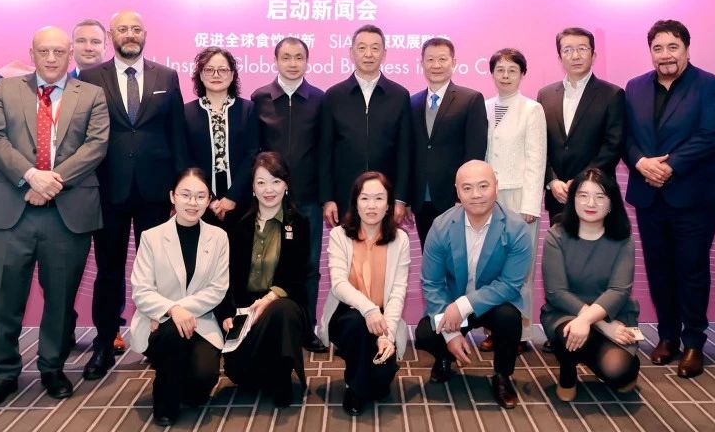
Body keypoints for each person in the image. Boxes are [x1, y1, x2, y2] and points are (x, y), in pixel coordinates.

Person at [0, 26, 109, 409]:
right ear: (31, 53)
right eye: (43, 51)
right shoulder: (5, 89)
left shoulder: (92, 95)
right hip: (11, 208)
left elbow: (96, 145)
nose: (51, 58)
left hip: (67, 212)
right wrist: (31, 176)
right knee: (3, 297)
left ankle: (52, 367)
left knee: (61, 298)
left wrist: (52, 181)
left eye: (58, 52)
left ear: (70, 55)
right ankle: (4, 373)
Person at [77, 10, 188, 377]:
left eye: (136, 29)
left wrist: (178, 187)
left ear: (145, 34)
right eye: (122, 29)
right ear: (112, 35)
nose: (130, 34)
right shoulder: (91, 77)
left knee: (156, 271)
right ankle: (105, 343)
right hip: (108, 189)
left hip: (155, 191)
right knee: (108, 271)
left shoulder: (166, 76)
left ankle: (157, 342)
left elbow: (176, 133)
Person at [623, 19, 715, 379]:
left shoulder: (708, 84)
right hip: (649, 194)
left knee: (692, 269)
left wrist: (670, 166)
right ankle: (667, 336)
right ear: (650, 51)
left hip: (694, 194)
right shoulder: (635, 86)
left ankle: (694, 341)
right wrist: (640, 162)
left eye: (673, 47)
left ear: (686, 48)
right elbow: (626, 136)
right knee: (659, 268)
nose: (665, 55)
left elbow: (711, 133)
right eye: (658, 48)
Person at [415, 160, 533, 410]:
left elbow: (510, 284)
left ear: (496, 187)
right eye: (467, 188)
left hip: (493, 304)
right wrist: (451, 334)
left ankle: (502, 376)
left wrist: (464, 305)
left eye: (483, 186)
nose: (476, 194)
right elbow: (432, 283)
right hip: (451, 304)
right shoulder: (441, 226)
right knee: (425, 333)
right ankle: (445, 358)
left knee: (510, 319)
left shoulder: (517, 229)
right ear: (457, 191)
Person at [129, 168, 229, 427]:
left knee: (201, 384)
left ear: (209, 200)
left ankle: (178, 376)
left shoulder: (219, 237)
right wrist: (170, 312)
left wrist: (176, 308)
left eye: (200, 196)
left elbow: (217, 289)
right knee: (173, 333)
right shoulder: (151, 237)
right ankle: (164, 401)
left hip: (200, 323)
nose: (192, 202)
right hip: (159, 325)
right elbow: (141, 290)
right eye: (185, 195)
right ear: (172, 196)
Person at [251, 37, 328, 353]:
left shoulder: (320, 99)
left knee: (308, 267)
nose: (293, 63)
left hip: (308, 198)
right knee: (267, 264)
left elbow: (325, 151)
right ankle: (266, 326)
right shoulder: (260, 98)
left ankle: (306, 329)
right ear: (275, 60)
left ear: (307, 61)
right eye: (286, 57)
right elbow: (253, 151)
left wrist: (326, 196)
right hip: (269, 199)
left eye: (299, 57)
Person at [215, 152, 311, 407]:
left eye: (276, 181)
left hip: (280, 303)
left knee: (282, 310)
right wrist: (227, 312)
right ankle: (262, 369)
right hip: (242, 310)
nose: (269, 190)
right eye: (261, 182)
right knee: (239, 373)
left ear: (286, 184)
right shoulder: (235, 221)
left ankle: (281, 377)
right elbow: (221, 274)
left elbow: (297, 275)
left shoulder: (298, 223)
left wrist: (269, 298)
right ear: (252, 187)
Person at [541, 168, 641, 400]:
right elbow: (556, 292)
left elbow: (619, 290)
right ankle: (568, 373)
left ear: (611, 203)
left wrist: (592, 321)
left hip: (613, 313)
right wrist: (600, 325)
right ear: (573, 199)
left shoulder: (623, 238)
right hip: (566, 313)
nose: (591, 203)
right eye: (583, 195)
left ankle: (609, 361)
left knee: (617, 371)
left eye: (600, 196)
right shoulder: (556, 235)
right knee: (571, 331)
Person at [317, 171, 412, 416]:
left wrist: (387, 334)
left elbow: (398, 291)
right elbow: (338, 284)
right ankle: (354, 388)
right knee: (357, 325)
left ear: (388, 205)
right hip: (347, 313)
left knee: (381, 380)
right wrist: (369, 310)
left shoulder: (401, 239)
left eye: (379, 198)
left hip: (383, 316)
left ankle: (373, 373)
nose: (371, 205)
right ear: (355, 202)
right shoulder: (339, 235)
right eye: (365, 198)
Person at [482, 48, 546, 352]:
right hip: (487, 199)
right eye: (500, 70)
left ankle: (519, 333)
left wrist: (531, 204)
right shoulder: (483, 106)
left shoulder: (532, 109)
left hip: (519, 196)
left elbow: (536, 159)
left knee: (519, 269)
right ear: (492, 73)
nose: (505, 76)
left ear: (522, 74)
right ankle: (495, 329)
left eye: (512, 70)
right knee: (490, 267)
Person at [320, 24, 412, 227]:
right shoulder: (334, 96)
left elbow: (404, 151)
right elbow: (325, 151)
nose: (368, 54)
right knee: (347, 245)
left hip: (386, 195)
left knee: (384, 245)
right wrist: (327, 198)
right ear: (351, 53)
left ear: (384, 53)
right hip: (345, 195)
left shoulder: (399, 95)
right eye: (362, 48)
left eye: (375, 48)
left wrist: (401, 199)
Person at [537, 27, 625, 222]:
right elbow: (540, 145)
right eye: (567, 50)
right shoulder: (545, 95)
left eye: (582, 49)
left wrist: (581, 181)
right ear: (559, 57)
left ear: (593, 55)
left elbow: (613, 146)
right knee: (560, 241)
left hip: (596, 193)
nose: (575, 56)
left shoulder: (612, 94)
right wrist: (552, 181)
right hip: (558, 195)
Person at [409, 37, 487, 242]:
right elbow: (409, 152)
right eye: (430, 60)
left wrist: (464, 193)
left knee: (458, 255)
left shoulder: (470, 99)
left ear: (453, 63)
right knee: (429, 254)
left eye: (442, 59)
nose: (436, 65)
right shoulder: (412, 102)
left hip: (454, 198)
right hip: (421, 198)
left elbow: (475, 152)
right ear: (422, 63)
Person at [184, 47, 259, 226]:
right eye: (209, 70)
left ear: (232, 75)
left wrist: (232, 196)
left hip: (241, 198)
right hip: (199, 199)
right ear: (200, 75)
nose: (216, 75)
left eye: (223, 70)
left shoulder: (248, 109)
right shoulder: (186, 112)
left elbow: (252, 154)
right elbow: (185, 157)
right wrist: (209, 198)